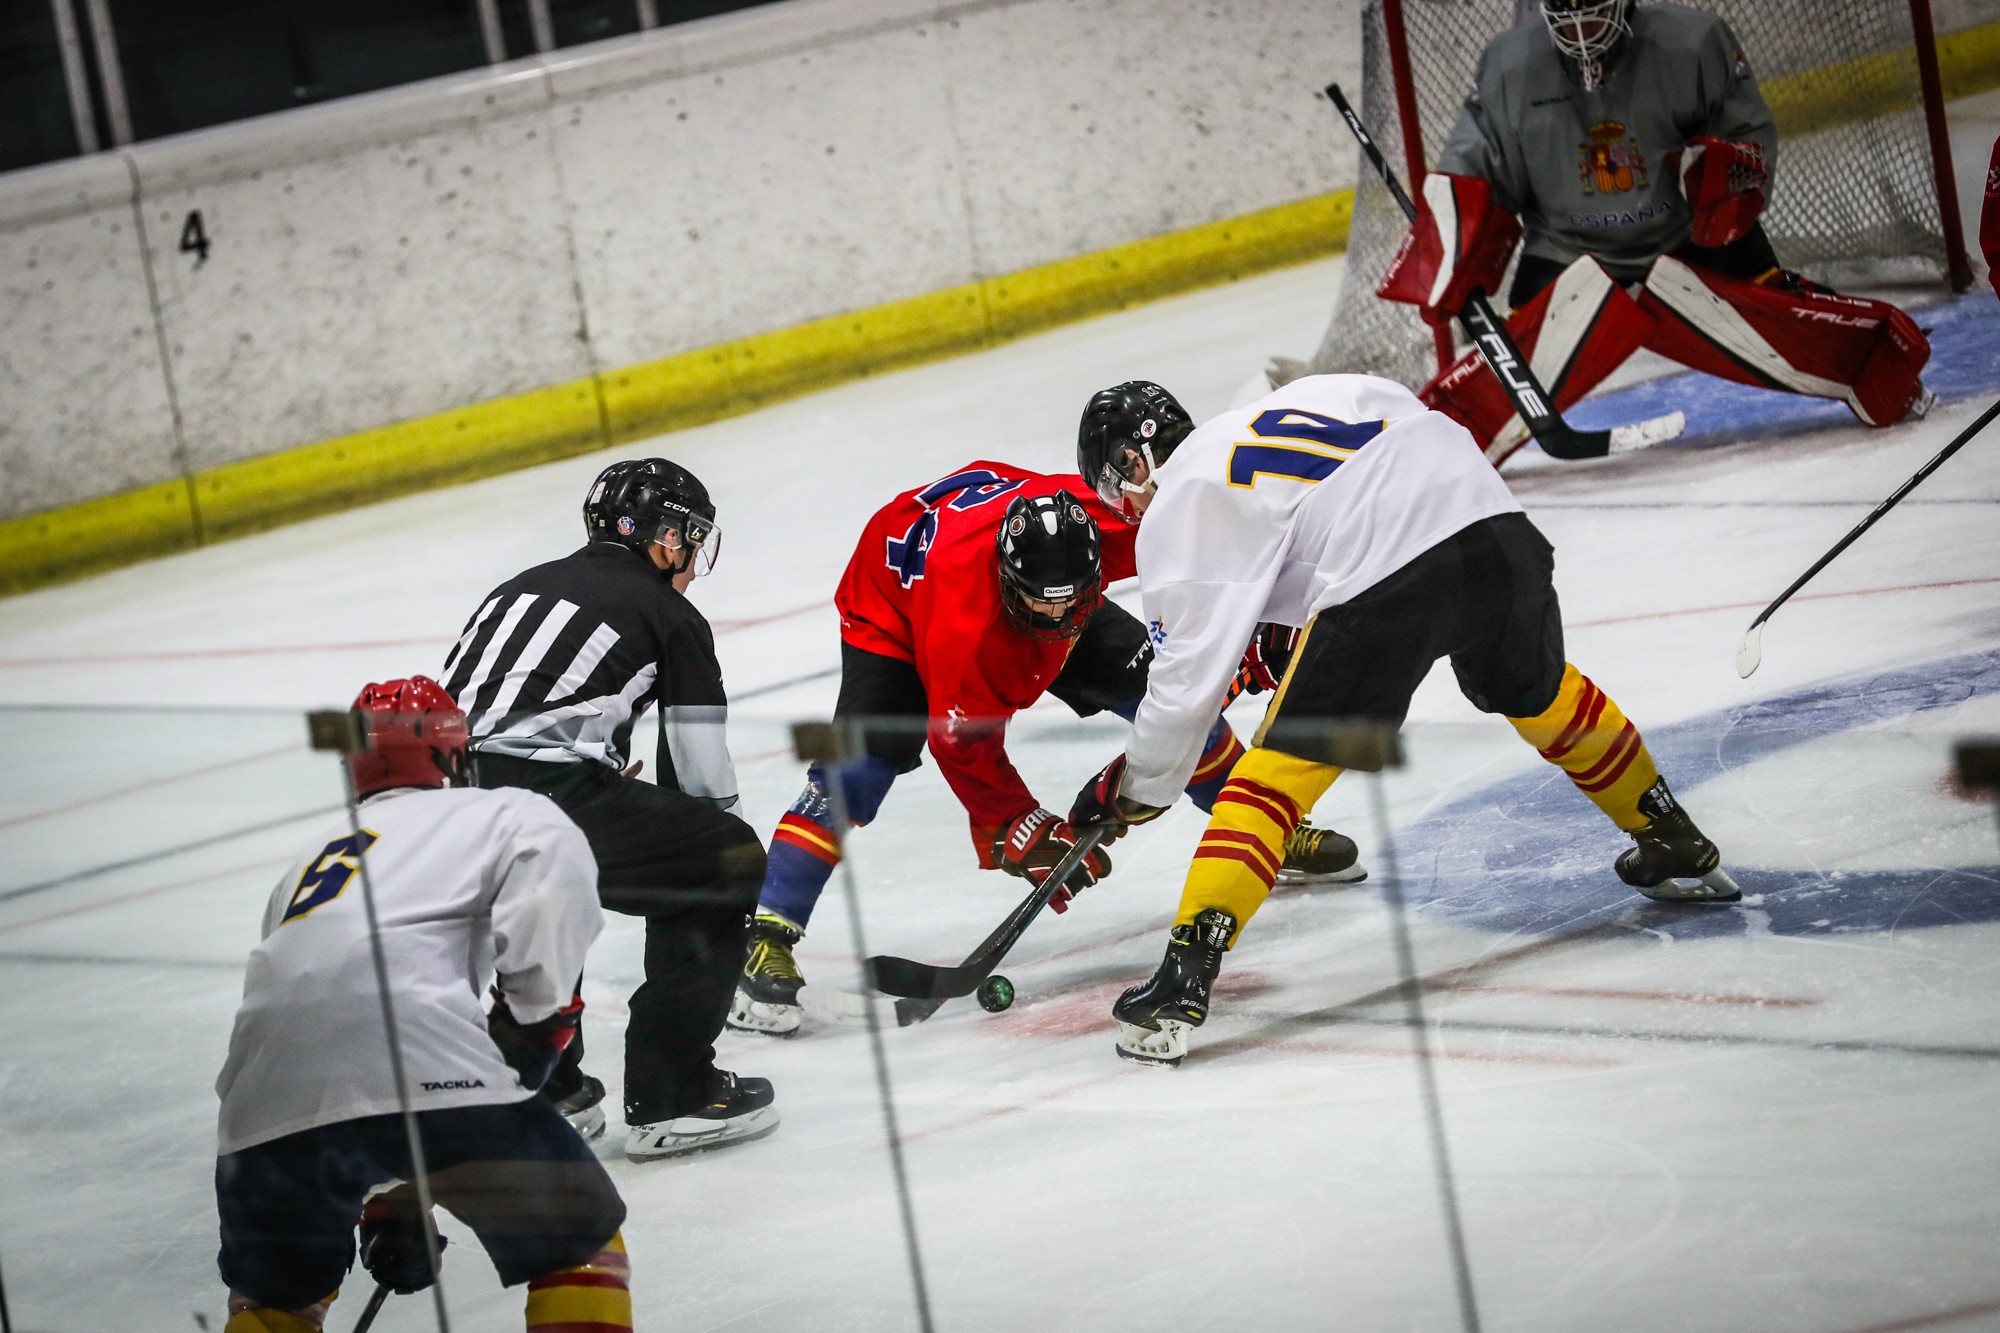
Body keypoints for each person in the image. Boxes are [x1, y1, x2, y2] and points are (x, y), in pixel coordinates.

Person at [1066, 379, 1739, 1068]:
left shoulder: (1178, 501)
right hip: (1490, 519)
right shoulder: (1292, 402)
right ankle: (1672, 836)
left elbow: (1182, 700)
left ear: (1136, 462)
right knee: (1543, 695)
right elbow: (1398, 428)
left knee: (1274, 775)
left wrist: (1132, 792)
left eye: (1119, 491)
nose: (1128, 508)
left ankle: (1182, 982)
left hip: (1386, 572)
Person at [730, 460, 1366, 1037]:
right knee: (857, 771)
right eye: (1043, 605)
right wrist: (1016, 822)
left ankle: (1262, 824)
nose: (1056, 619)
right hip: (894, 609)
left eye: (1072, 601)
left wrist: (1262, 622)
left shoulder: (1092, 535)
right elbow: (960, 744)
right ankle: (767, 931)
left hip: (1026, 574)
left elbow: (1206, 547)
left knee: (1170, 704)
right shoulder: (965, 629)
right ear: (1011, 580)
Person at [213, 677, 631, 1332]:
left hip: (260, 1110)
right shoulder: (505, 810)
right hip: (433, 1074)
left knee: (275, 1302)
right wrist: (536, 1017)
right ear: (451, 751)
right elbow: (550, 901)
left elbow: (335, 1043)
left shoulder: (306, 863)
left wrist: (390, 1205)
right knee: (579, 1242)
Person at [1374, 0, 1930, 465]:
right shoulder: (1507, 65)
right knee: (1508, 364)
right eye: (1564, 20)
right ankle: (1435, 455)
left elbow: (1746, 139)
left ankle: (1880, 367)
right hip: (1567, 252)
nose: (1579, 36)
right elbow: (1476, 169)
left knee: (1784, 323)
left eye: (1591, 18)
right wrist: (1453, 242)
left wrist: (1719, 179)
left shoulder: (1693, 43)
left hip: (1688, 239)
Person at [440, 458, 775, 1162]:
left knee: (544, 894)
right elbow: (699, 770)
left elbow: (490, 709)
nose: (690, 559)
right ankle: (674, 1092)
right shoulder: (671, 614)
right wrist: (739, 866)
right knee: (723, 856)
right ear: (664, 538)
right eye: (689, 537)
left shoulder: (515, 588)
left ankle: (551, 1090)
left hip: (450, 801)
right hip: (548, 793)